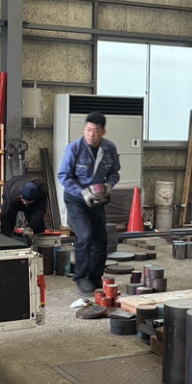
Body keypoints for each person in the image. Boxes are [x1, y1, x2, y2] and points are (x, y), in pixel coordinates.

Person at [58, 112, 120, 294]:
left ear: (103, 132)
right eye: (88, 130)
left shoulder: (109, 148)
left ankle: (95, 277)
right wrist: (82, 192)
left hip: (97, 199)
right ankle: (81, 277)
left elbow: (114, 173)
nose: (91, 134)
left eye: (95, 131)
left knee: (101, 239)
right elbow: (63, 176)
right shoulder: (74, 149)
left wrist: (108, 186)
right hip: (76, 199)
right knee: (85, 236)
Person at [0, 174, 47, 239]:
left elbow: (40, 210)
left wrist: (30, 227)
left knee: (37, 219)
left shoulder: (42, 190)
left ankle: (39, 237)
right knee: (7, 216)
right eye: (23, 201)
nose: (24, 203)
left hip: (28, 187)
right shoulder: (13, 195)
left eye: (27, 202)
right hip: (12, 185)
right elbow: (6, 214)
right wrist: (6, 232)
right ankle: (7, 236)